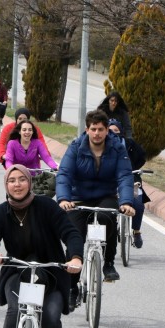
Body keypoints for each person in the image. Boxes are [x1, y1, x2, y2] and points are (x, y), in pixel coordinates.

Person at [0, 164, 83, 328]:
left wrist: (75, 257)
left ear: (30, 181)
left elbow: (71, 233)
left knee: (50, 319)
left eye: (22, 179)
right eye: (12, 180)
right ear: (6, 185)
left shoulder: (47, 206)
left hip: (51, 274)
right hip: (17, 273)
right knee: (15, 311)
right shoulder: (0, 212)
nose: (17, 185)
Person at [56, 110, 134, 302]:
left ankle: (108, 263)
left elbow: (124, 176)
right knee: (75, 237)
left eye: (101, 129)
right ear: (87, 129)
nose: (97, 133)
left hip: (105, 196)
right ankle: (72, 286)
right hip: (78, 198)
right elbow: (64, 173)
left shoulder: (117, 148)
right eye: (93, 129)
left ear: (107, 130)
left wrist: (125, 202)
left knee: (109, 217)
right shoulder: (75, 147)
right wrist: (64, 199)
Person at [108, 119, 150, 249]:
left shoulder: (130, 143)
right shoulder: (104, 144)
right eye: (110, 130)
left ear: (121, 131)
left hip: (132, 178)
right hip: (110, 179)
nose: (113, 133)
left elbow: (142, 157)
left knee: (138, 203)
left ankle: (136, 231)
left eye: (116, 130)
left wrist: (133, 168)